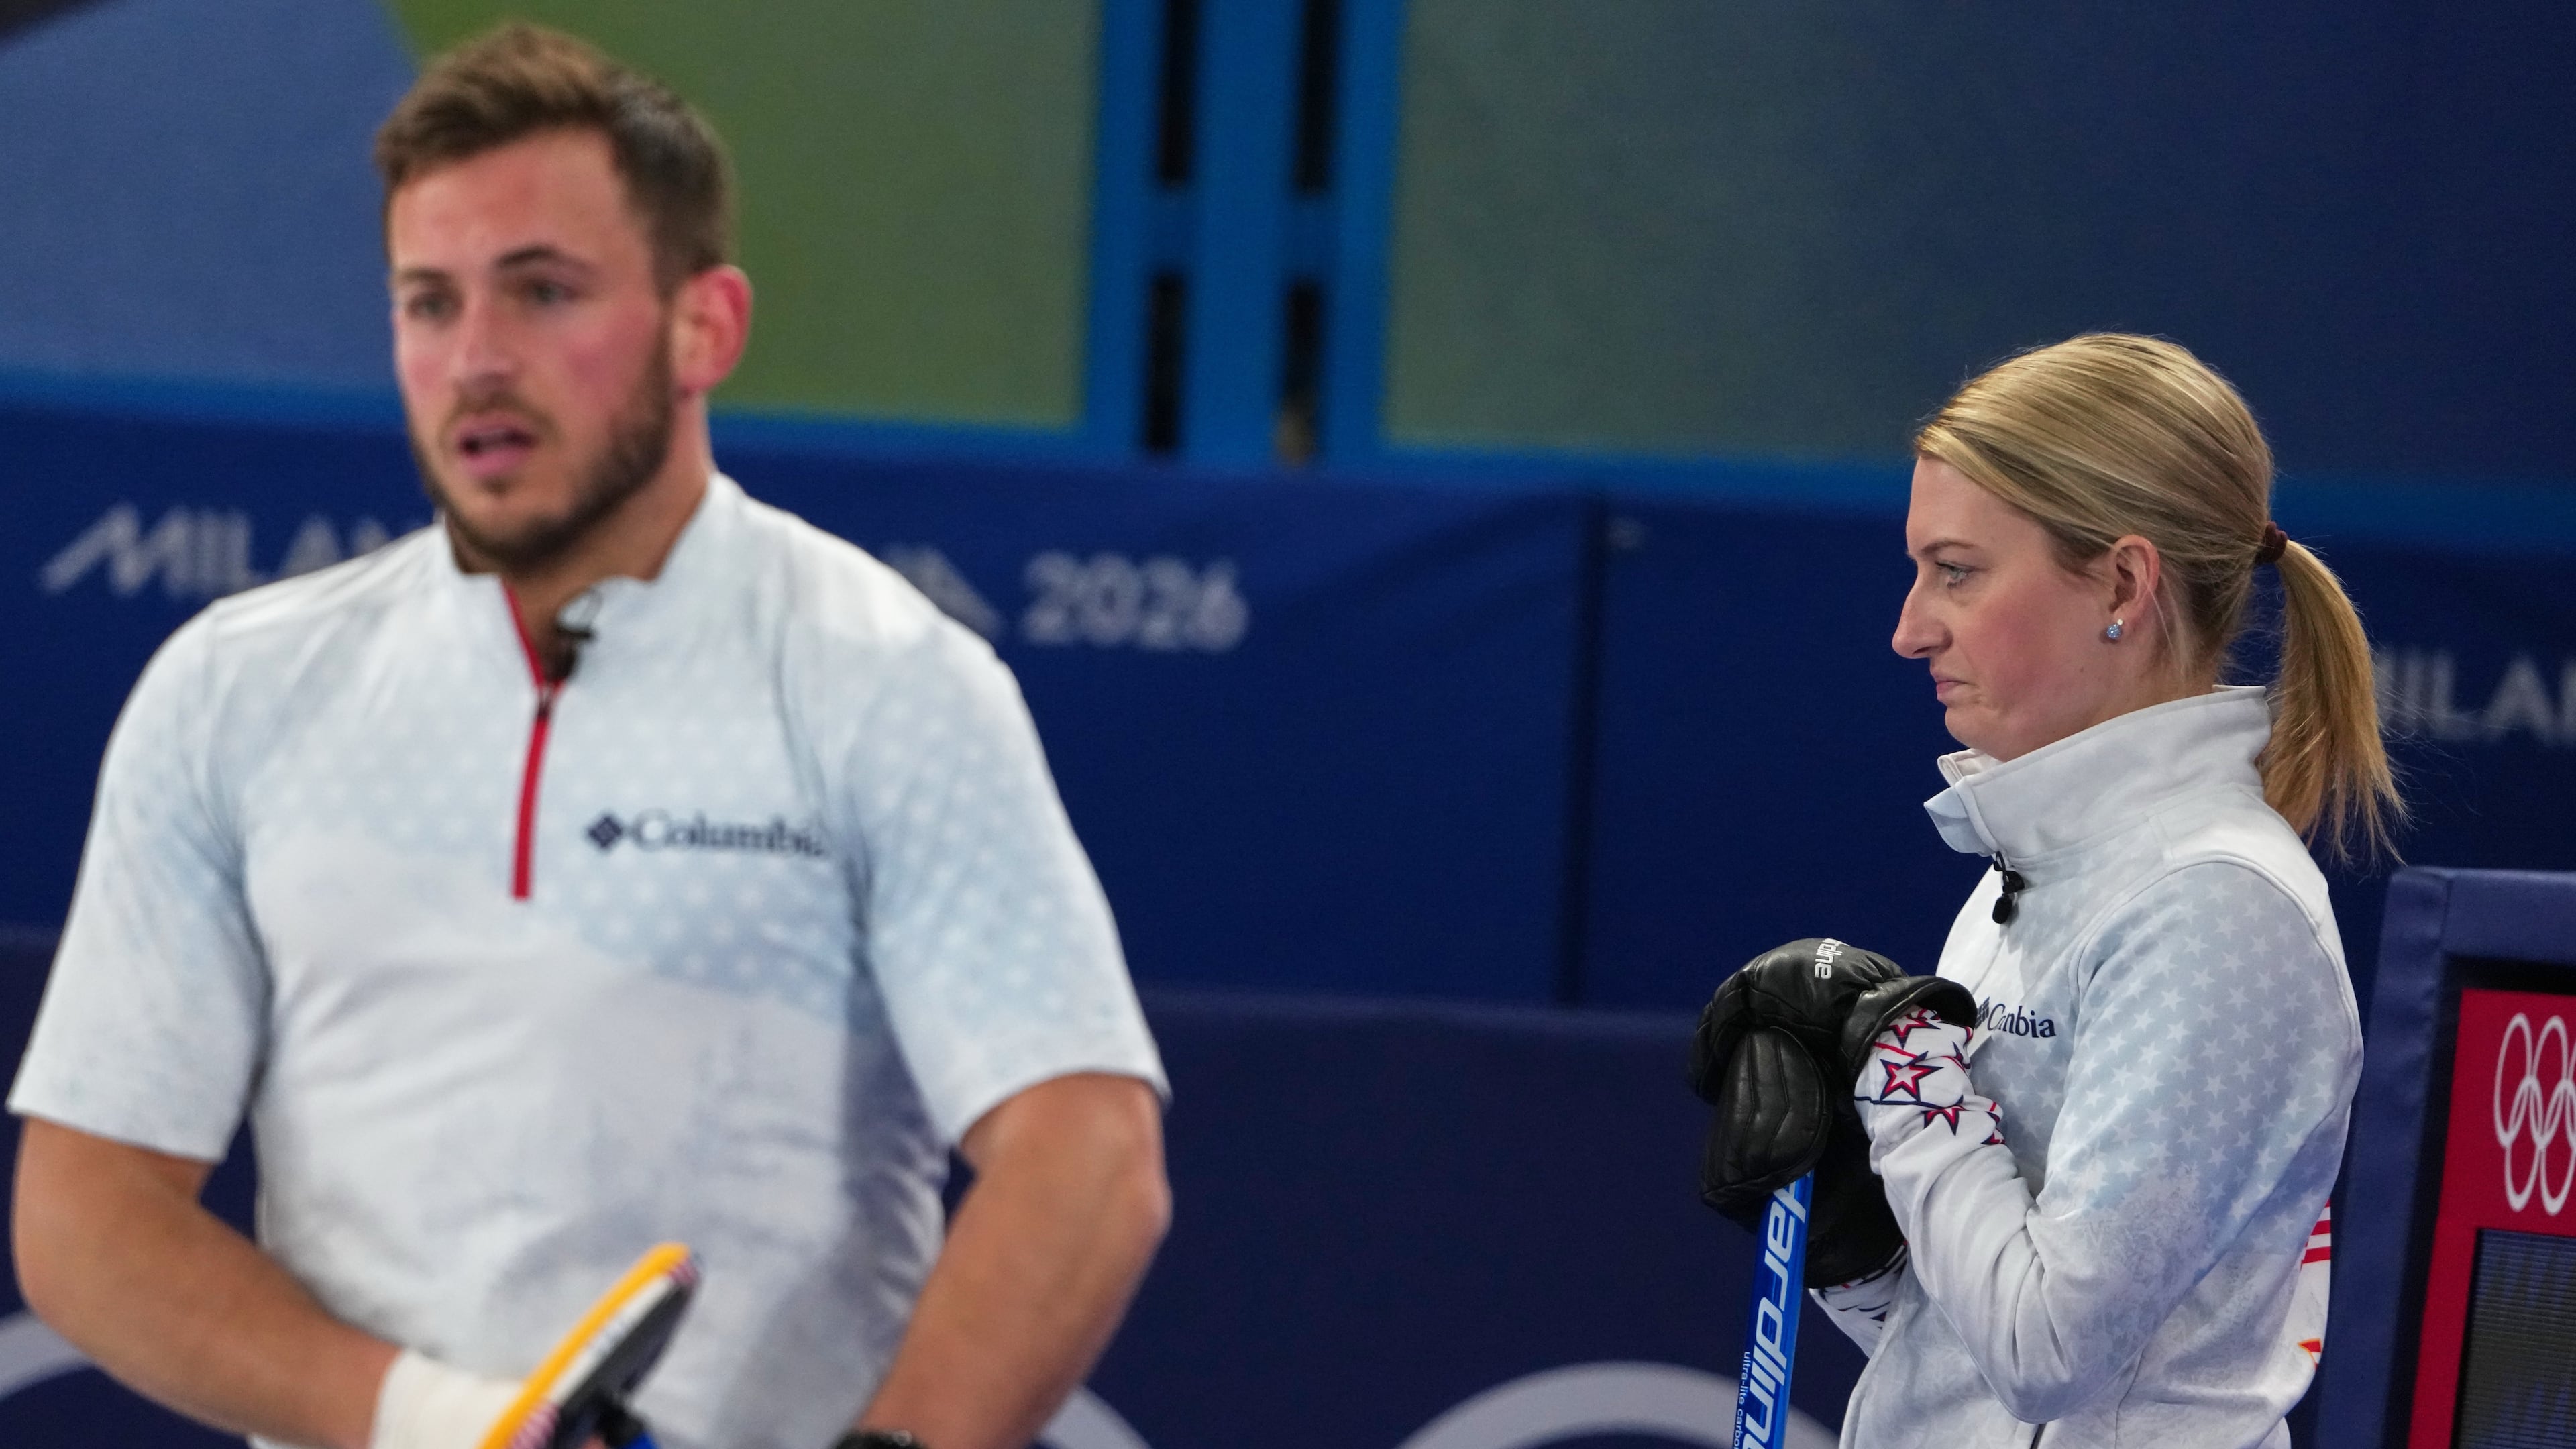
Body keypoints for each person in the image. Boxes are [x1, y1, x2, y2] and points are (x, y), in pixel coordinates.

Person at [8, 23, 1169, 1449]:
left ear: (708, 326)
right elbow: (83, 1215)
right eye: (428, 304)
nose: (477, 359)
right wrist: (449, 1423)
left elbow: (1086, 1156)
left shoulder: (887, 681)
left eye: (542, 293)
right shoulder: (232, 692)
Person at [1692, 333, 2390, 1446]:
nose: (1911, 627)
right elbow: (1989, 1363)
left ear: (2122, 581)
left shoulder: (2213, 907)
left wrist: (1899, 1071)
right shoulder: (2045, 865)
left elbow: (2054, 1360)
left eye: (1957, 572)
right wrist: (1860, 1255)